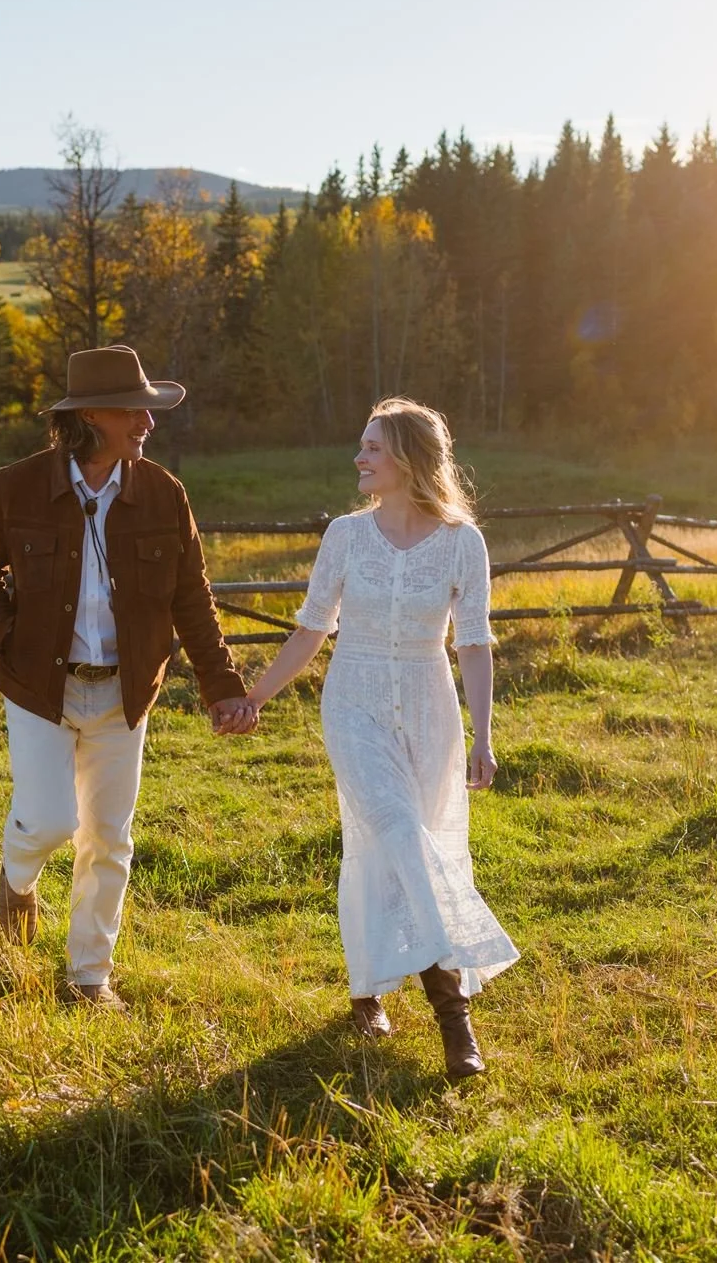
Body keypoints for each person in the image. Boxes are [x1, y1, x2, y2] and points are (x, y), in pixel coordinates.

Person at [0, 344, 257, 1012]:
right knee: (50, 821)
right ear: (92, 414)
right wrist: (5, 634)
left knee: (109, 837)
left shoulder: (162, 494)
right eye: (135, 412)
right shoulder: (20, 486)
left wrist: (223, 685)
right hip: (40, 685)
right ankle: (17, 877)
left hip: (126, 691)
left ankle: (90, 976)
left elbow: (192, 597)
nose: (148, 425)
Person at [237, 397, 517, 1078]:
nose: (358, 458)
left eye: (372, 447)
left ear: (408, 459)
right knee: (395, 832)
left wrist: (484, 736)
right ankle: (456, 1020)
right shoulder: (345, 535)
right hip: (354, 701)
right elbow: (311, 629)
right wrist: (255, 697)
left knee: (393, 849)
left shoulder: (461, 541)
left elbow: (475, 644)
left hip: (429, 705)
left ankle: (366, 992)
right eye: (361, 445)